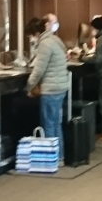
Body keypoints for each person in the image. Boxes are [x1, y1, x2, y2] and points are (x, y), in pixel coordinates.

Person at [26, 15, 70, 148]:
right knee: (56, 124)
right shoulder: (55, 39)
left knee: (49, 125)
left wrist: (28, 86)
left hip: (50, 89)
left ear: (36, 33)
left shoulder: (44, 44)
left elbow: (39, 70)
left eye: (31, 35)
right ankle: (59, 155)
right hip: (60, 87)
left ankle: (51, 155)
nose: (31, 38)